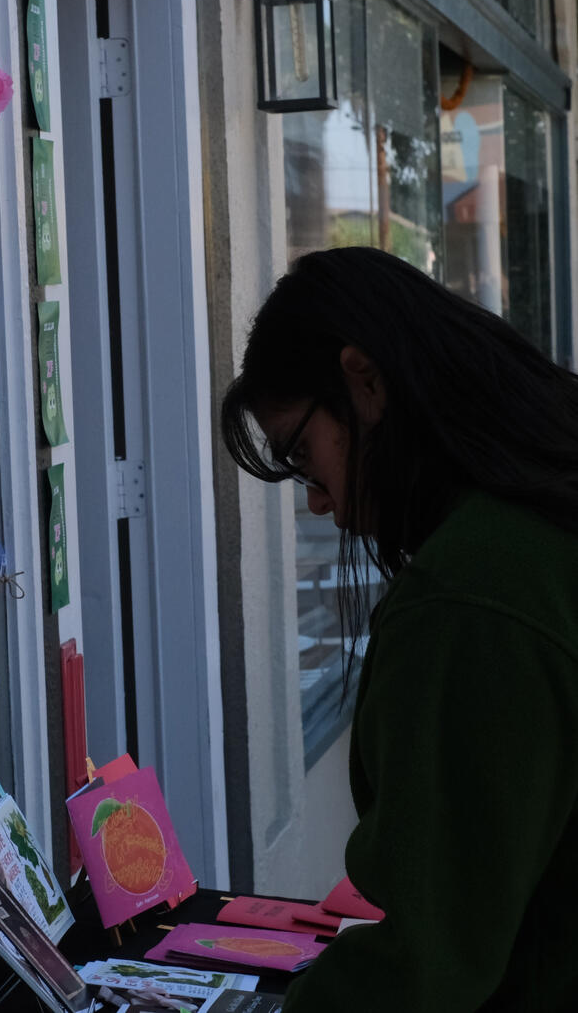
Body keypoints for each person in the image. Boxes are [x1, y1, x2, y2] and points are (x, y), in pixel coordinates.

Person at [220, 246, 578, 1012]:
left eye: (306, 460)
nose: (324, 506)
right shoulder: (544, 496)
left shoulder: (471, 598)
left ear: (367, 381)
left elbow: (427, 969)